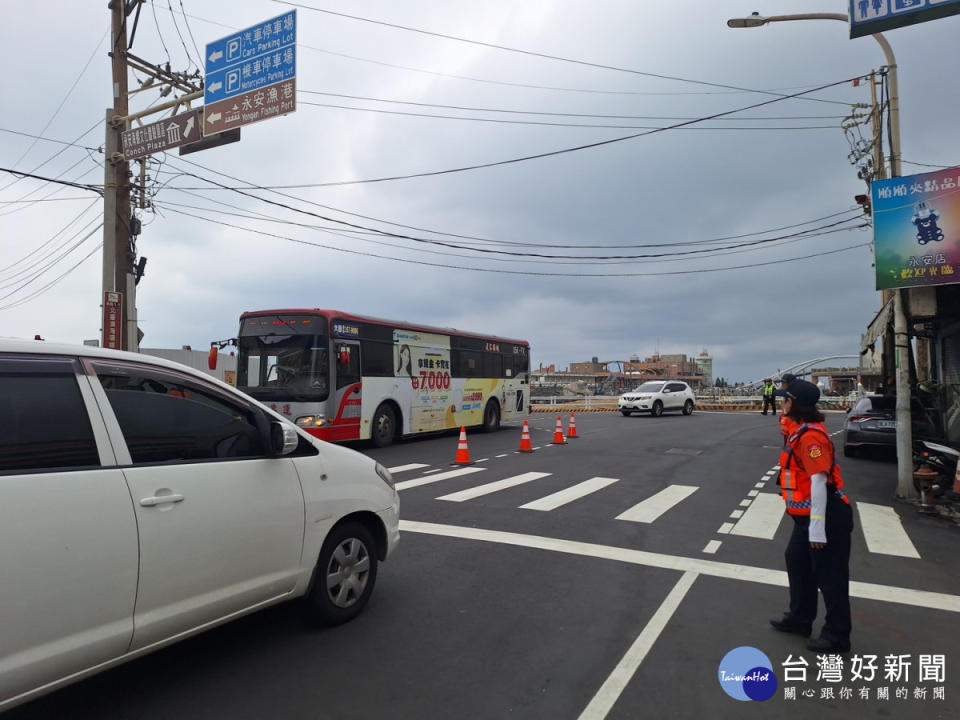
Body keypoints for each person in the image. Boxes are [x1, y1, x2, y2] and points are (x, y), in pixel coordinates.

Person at [769, 379, 854, 653]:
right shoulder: (799, 432)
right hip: (805, 517)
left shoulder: (811, 438)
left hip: (825, 515)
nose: (781, 405)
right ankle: (800, 618)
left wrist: (817, 528)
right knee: (797, 561)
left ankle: (837, 635)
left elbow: (819, 482)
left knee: (830, 576)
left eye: (785, 400)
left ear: (794, 403)